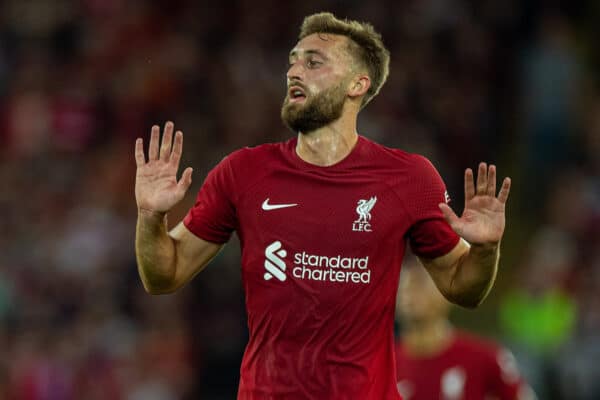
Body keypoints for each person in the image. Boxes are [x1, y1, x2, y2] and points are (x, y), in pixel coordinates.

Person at [134, 12, 512, 399]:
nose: (295, 71)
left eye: (314, 62)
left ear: (357, 84)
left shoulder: (410, 179)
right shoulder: (243, 173)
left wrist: (486, 249)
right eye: (293, 61)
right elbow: (165, 273)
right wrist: (150, 216)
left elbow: (463, 288)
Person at [395, 257, 536, 400]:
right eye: (401, 283)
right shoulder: (380, 366)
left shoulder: (486, 359)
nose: (407, 289)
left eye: (419, 281)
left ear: (447, 290)